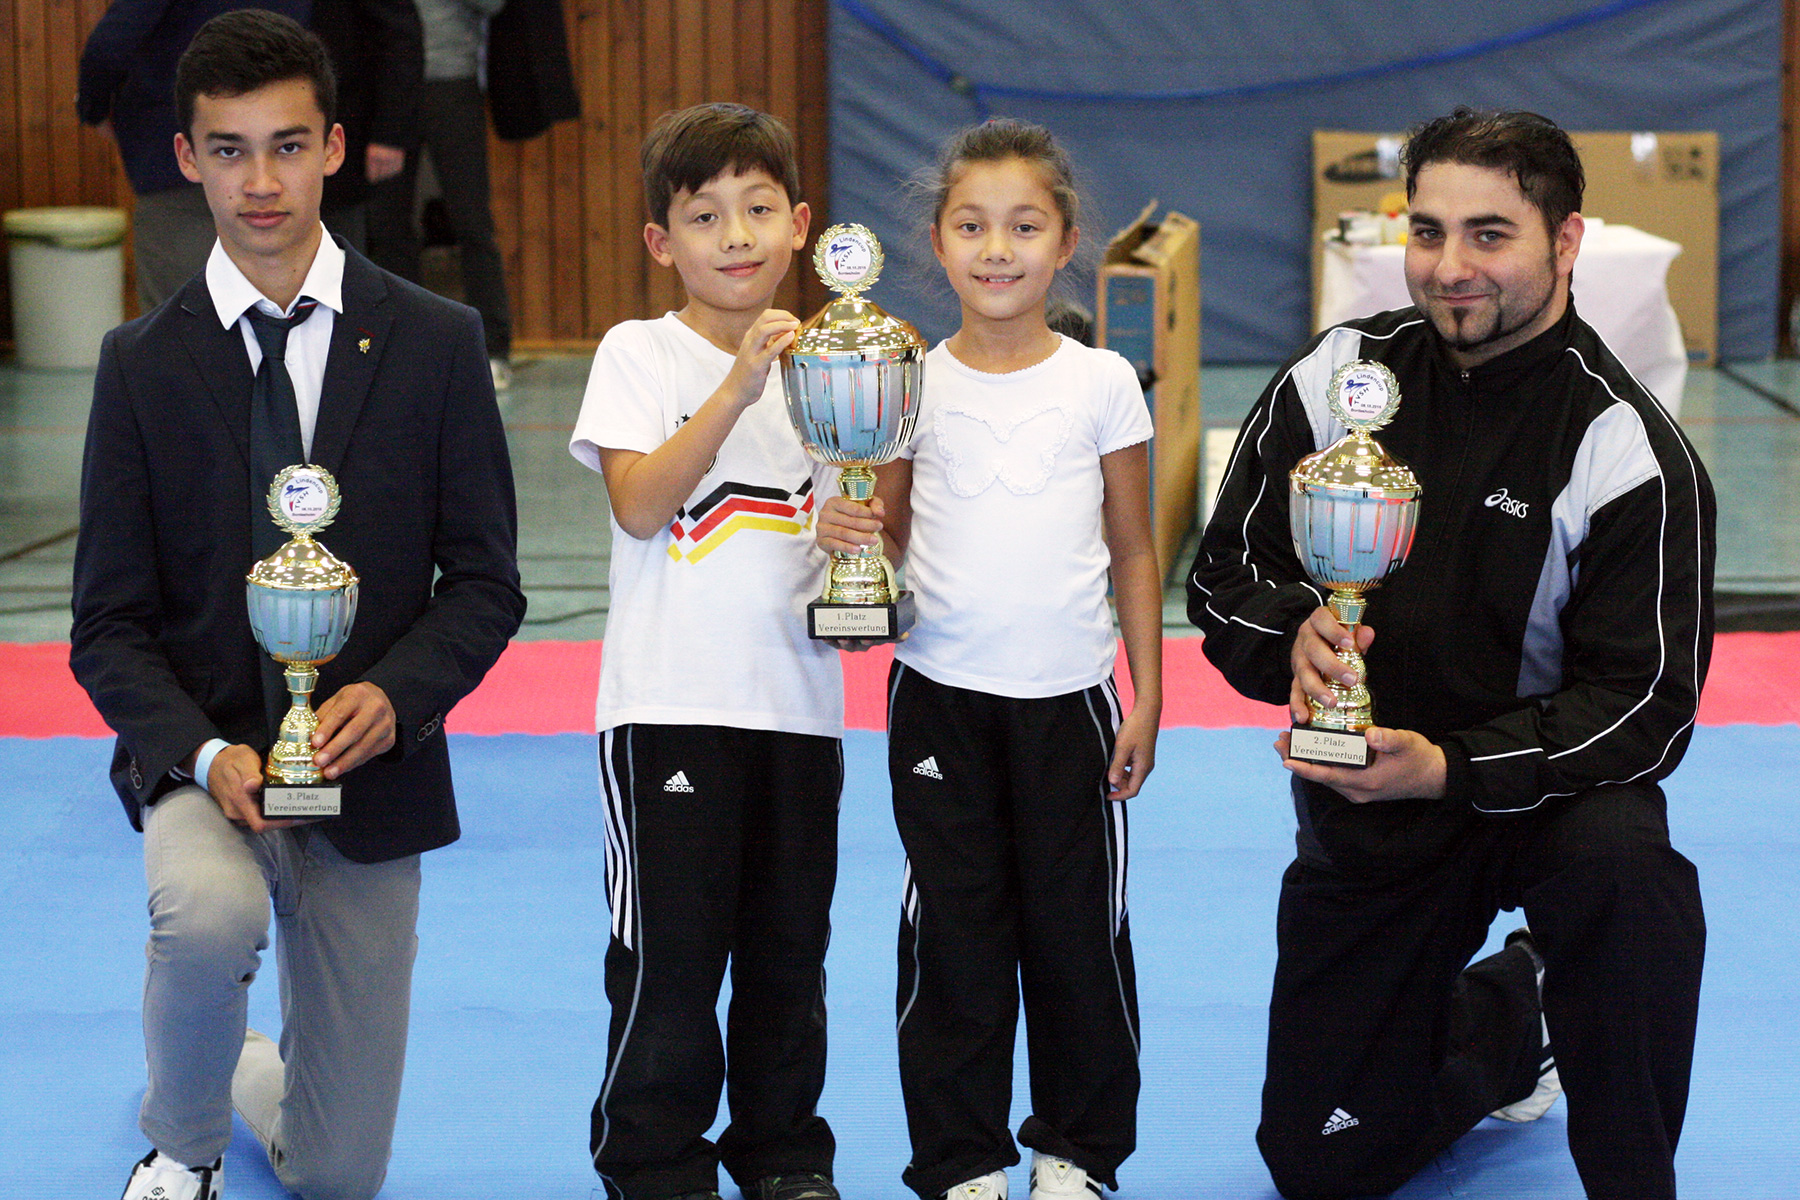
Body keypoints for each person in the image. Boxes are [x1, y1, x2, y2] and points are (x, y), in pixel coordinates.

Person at [1188, 108, 1712, 1200]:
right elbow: (1222, 576)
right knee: (1322, 1166)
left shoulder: (1625, 448)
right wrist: (1293, 638)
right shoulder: (1340, 380)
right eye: (1428, 233)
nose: (1450, 267)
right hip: (1376, 805)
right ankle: (1516, 1012)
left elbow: (1645, 706)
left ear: (1566, 242)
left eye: (1490, 235)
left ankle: (1631, 1173)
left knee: (1631, 868)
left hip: (1549, 802)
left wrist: (1451, 766)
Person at [69, 11, 525, 1200]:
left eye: (284, 146)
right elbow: (105, 625)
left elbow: (485, 583)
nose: (258, 182)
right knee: (206, 921)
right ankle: (184, 1141)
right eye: (228, 150)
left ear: (333, 145)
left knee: (337, 1181)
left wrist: (394, 694)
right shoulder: (141, 363)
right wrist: (205, 750)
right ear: (185, 158)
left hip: (373, 777)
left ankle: (242, 1066)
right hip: (207, 766)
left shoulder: (435, 342)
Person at [818, 117, 1163, 1200]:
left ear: (1067, 243)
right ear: (936, 240)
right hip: (940, 701)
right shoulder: (905, 380)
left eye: (1024, 226)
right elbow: (894, 532)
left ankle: (1078, 1148)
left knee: (1078, 936)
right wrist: (850, 530)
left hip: (1072, 705)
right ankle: (962, 1158)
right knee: (955, 937)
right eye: (973, 225)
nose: (998, 248)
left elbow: (1135, 547)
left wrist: (1147, 699)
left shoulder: (1104, 380)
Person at [567, 102, 844, 1200]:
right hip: (668, 711)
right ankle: (652, 1160)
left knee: (789, 962)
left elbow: (854, 560)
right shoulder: (641, 354)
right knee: (672, 963)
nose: (735, 234)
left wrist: (856, 538)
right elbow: (639, 504)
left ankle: (783, 1157)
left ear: (801, 226)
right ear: (661, 241)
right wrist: (736, 386)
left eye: (759, 209)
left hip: (800, 712)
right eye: (704, 214)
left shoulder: (838, 372)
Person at [77, 0, 306, 311]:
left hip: (176, 156)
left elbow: (111, 43)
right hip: (283, 152)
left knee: (176, 324)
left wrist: (93, 107)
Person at [365, 0, 515, 389]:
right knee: (389, 223)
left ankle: (494, 349)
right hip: (387, 82)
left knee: (471, 221)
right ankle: (403, 345)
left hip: (451, 82)